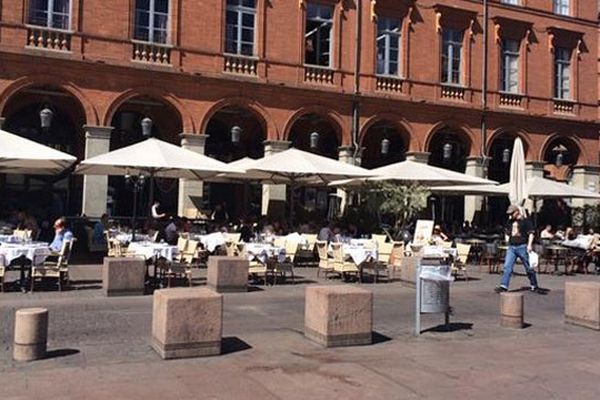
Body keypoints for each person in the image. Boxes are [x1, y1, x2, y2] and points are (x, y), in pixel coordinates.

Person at [495, 205, 542, 294]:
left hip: (522, 246)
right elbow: (507, 232)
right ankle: (503, 286)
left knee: (528, 267)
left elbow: (531, 233)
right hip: (512, 247)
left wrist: (529, 245)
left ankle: (534, 285)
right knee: (507, 267)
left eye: (512, 213)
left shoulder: (525, 221)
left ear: (517, 212)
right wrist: (507, 240)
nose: (510, 215)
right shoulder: (510, 221)